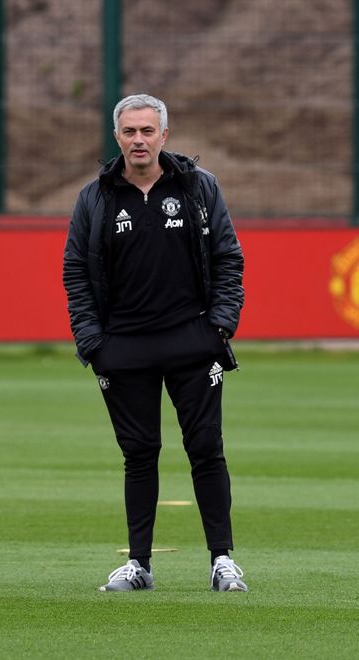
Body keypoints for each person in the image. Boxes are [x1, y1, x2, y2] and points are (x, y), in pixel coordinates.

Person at [63, 93, 248, 593]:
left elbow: (229, 259)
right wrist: (92, 341)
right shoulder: (95, 197)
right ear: (117, 137)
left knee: (206, 449)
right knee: (139, 454)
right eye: (130, 132)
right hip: (123, 347)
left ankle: (223, 560)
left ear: (164, 136)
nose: (139, 140)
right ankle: (138, 564)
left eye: (148, 131)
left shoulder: (198, 188)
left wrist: (220, 327)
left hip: (193, 341)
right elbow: (75, 271)